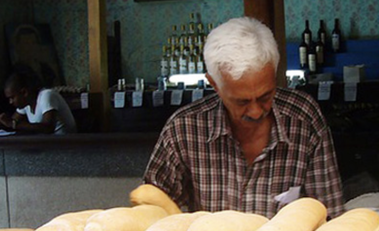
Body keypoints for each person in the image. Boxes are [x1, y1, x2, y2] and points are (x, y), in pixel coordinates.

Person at [143, 16, 345, 219]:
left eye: (265, 96)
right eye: (242, 102)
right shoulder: (184, 129)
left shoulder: (303, 119)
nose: (256, 111)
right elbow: (152, 207)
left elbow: (328, 214)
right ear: (214, 85)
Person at [0, 69, 77, 134]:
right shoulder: (26, 103)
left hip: (64, 146)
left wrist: (12, 124)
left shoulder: (47, 95)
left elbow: (48, 128)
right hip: (49, 145)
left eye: (12, 97)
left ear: (24, 92)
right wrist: (2, 122)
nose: (10, 102)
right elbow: (14, 121)